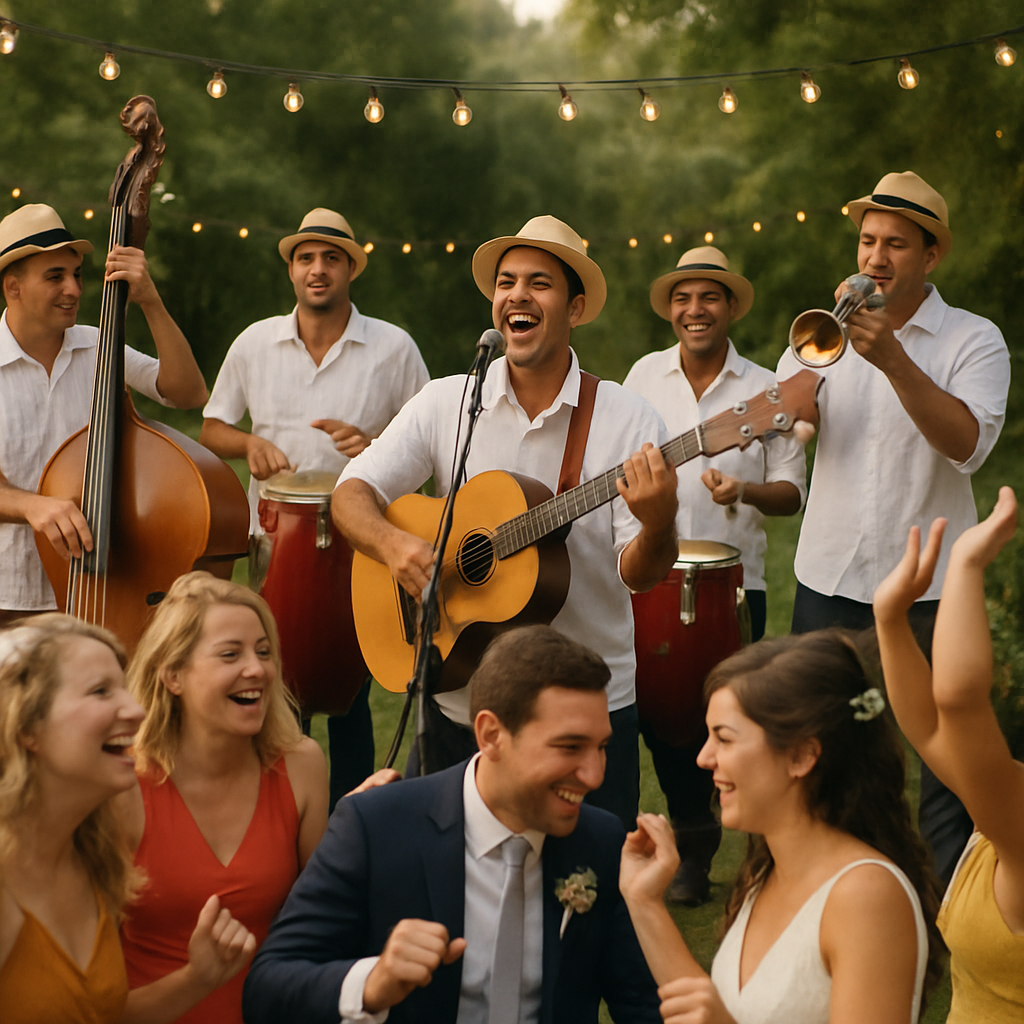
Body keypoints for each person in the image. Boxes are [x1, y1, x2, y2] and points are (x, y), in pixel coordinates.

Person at [334, 215, 678, 828]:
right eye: (506, 281)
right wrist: (394, 547)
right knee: (449, 884)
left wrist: (657, 525)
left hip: (585, 706)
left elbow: (642, 573)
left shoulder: (628, 419)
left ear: (574, 308)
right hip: (465, 700)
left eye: (538, 283)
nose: (517, 294)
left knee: (586, 890)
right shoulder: (449, 401)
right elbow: (351, 491)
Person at [242, 624, 660, 1024]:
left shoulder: (600, 841)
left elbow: (642, 1004)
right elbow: (269, 989)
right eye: (570, 747)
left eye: (601, 747)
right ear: (491, 735)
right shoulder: (377, 827)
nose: (594, 775)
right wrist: (373, 981)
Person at [777, 171, 1010, 883]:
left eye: (895, 245)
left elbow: (968, 444)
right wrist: (789, 414)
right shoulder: (821, 330)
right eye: (867, 241)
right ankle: (829, 884)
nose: (875, 258)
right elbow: (792, 427)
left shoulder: (975, 340)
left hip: (933, 586)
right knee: (819, 741)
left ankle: (944, 908)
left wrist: (895, 360)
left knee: (946, 751)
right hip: (831, 574)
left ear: (930, 256)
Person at [200, 208, 429, 810]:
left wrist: (375, 447)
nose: (318, 269)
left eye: (331, 258)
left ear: (351, 268)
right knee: (281, 678)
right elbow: (212, 427)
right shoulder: (255, 343)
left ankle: (352, 819)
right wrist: (249, 443)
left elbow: (432, 448)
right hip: (274, 540)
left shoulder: (394, 348)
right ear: (292, 270)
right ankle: (283, 813)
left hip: (360, 538)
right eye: (306, 258)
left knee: (349, 687)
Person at [618, 629, 945, 1024]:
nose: (704, 758)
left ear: (801, 756)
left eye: (724, 738)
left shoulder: (865, 896)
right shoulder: (766, 874)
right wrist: (644, 902)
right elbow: (709, 1011)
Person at [623, 246, 805, 904]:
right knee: (654, 712)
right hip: (649, 572)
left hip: (732, 581)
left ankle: (718, 848)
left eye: (708, 298)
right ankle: (688, 841)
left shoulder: (766, 389)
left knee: (724, 719)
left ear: (730, 307)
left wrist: (743, 494)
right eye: (683, 298)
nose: (694, 310)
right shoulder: (641, 378)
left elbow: (792, 492)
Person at [0, 614, 256, 1024]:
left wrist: (197, 978)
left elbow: (97, 1014)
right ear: (27, 726)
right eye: (101, 691)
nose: (135, 710)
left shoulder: (93, 856)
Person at [116, 572, 340, 1024]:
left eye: (263, 651)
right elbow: (87, 1004)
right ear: (173, 675)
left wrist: (360, 831)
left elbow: (324, 924)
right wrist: (200, 977)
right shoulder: (122, 785)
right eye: (229, 654)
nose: (257, 669)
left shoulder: (301, 766)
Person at [0, 203, 209, 625]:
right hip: (9, 591)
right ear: (13, 287)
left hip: (101, 586)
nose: (74, 290)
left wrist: (149, 300)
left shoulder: (100, 346)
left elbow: (188, 392)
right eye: (54, 277)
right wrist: (32, 506)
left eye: (75, 275)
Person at [874, 487, 1024, 1022]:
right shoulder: (1004, 803)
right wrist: (890, 620)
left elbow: (958, 705)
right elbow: (933, 733)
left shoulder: (1016, 818)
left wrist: (965, 565)